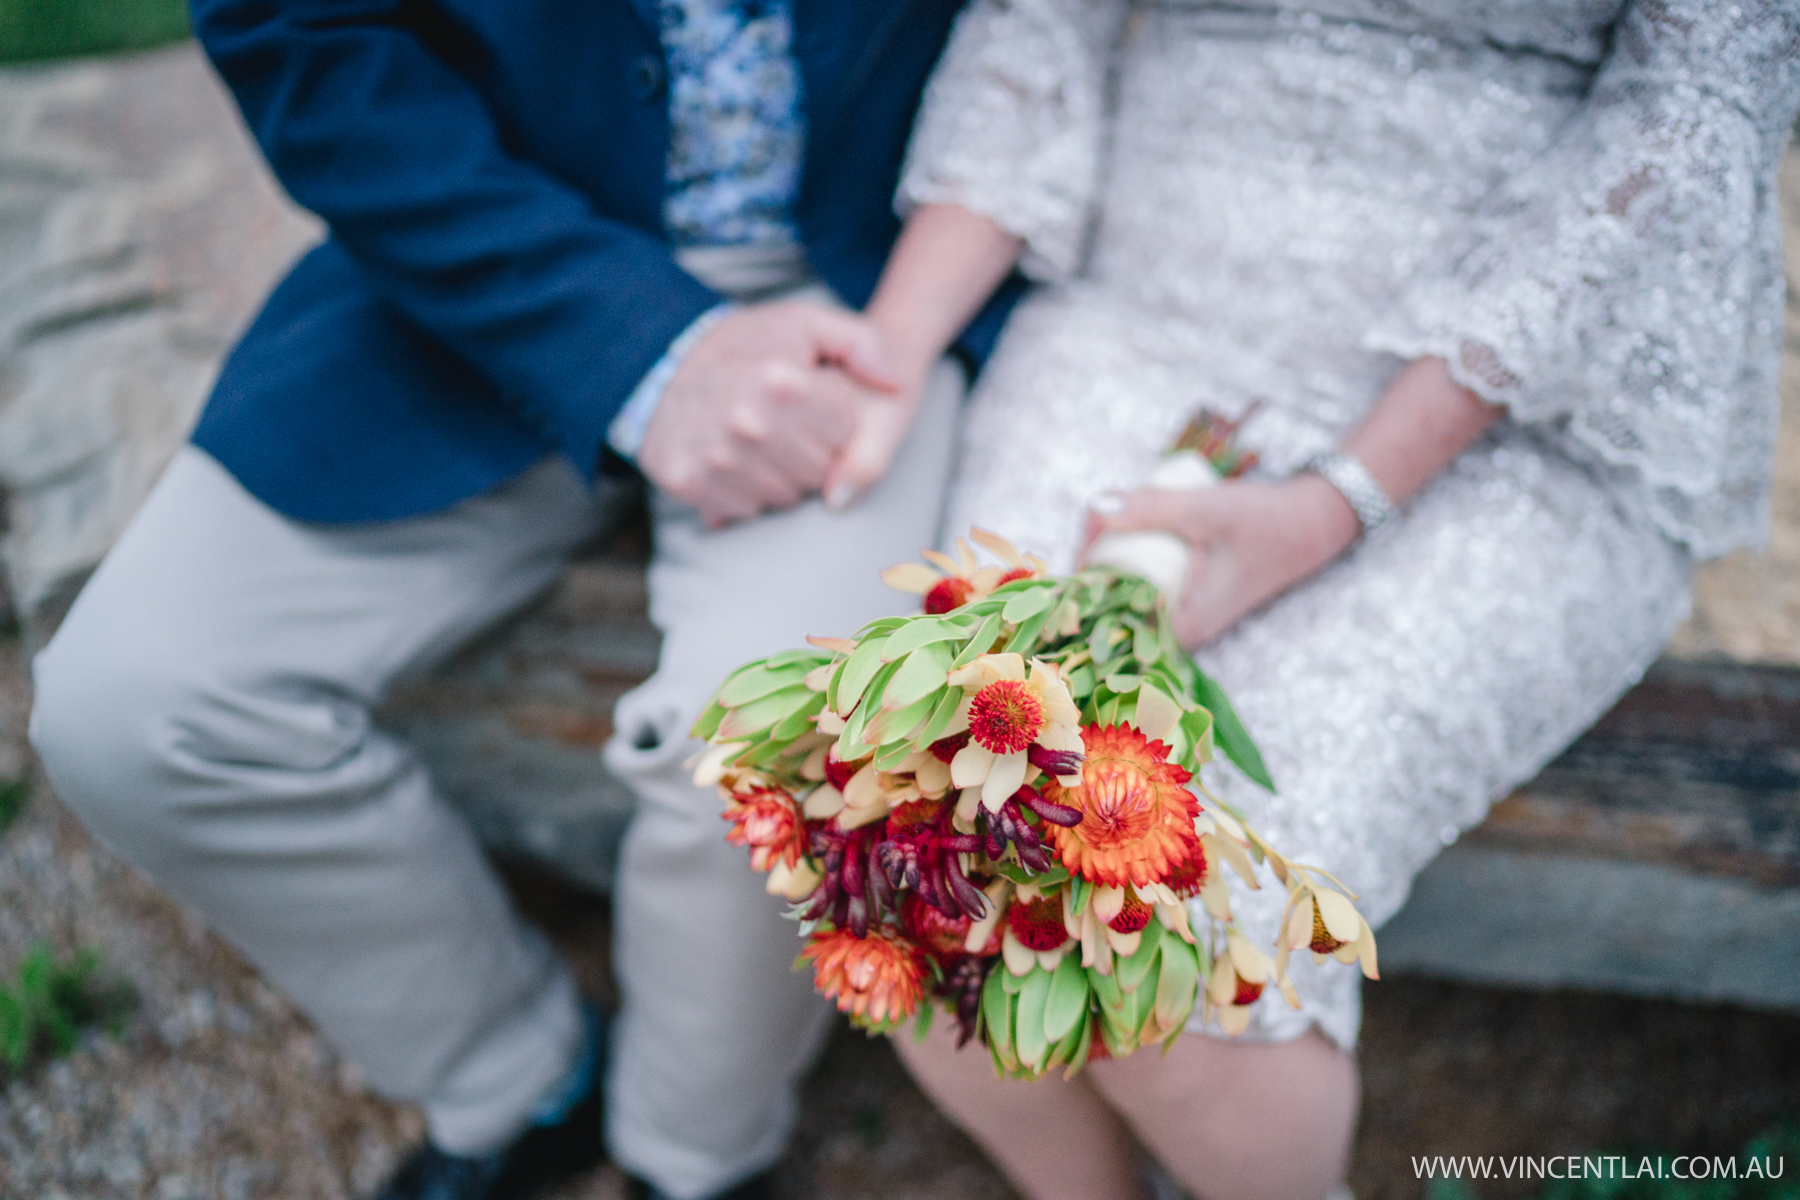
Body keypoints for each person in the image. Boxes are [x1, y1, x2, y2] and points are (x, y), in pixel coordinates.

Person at [25, 3, 1017, 1199]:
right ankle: (516, 1076)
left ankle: (691, 1152)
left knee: (785, 733)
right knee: (130, 706)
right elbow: (299, 35)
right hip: (503, 240)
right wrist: (645, 357)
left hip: (872, 284)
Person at [824, 1, 1800, 1197]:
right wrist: (890, 350)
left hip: (1521, 392)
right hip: (1145, 319)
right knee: (919, 850)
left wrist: (1337, 500)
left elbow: (1693, 112)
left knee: (1184, 947)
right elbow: (1039, 23)